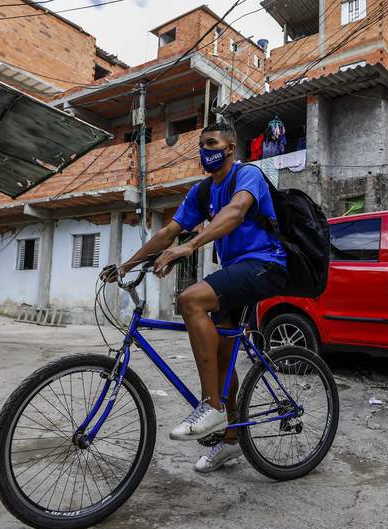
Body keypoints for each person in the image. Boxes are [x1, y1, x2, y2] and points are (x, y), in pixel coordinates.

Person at [103, 121, 287, 472]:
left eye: (212, 142)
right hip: (237, 272)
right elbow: (169, 231)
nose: (206, 149)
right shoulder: (203, 191)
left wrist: (187, 248)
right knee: (221, 357)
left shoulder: (248, 175)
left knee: (190, 299)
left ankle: (212, 407)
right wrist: (127, 265)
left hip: (266, 264)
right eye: (201, 144)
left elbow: (234, 213)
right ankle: (231, 439)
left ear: (230, 147)